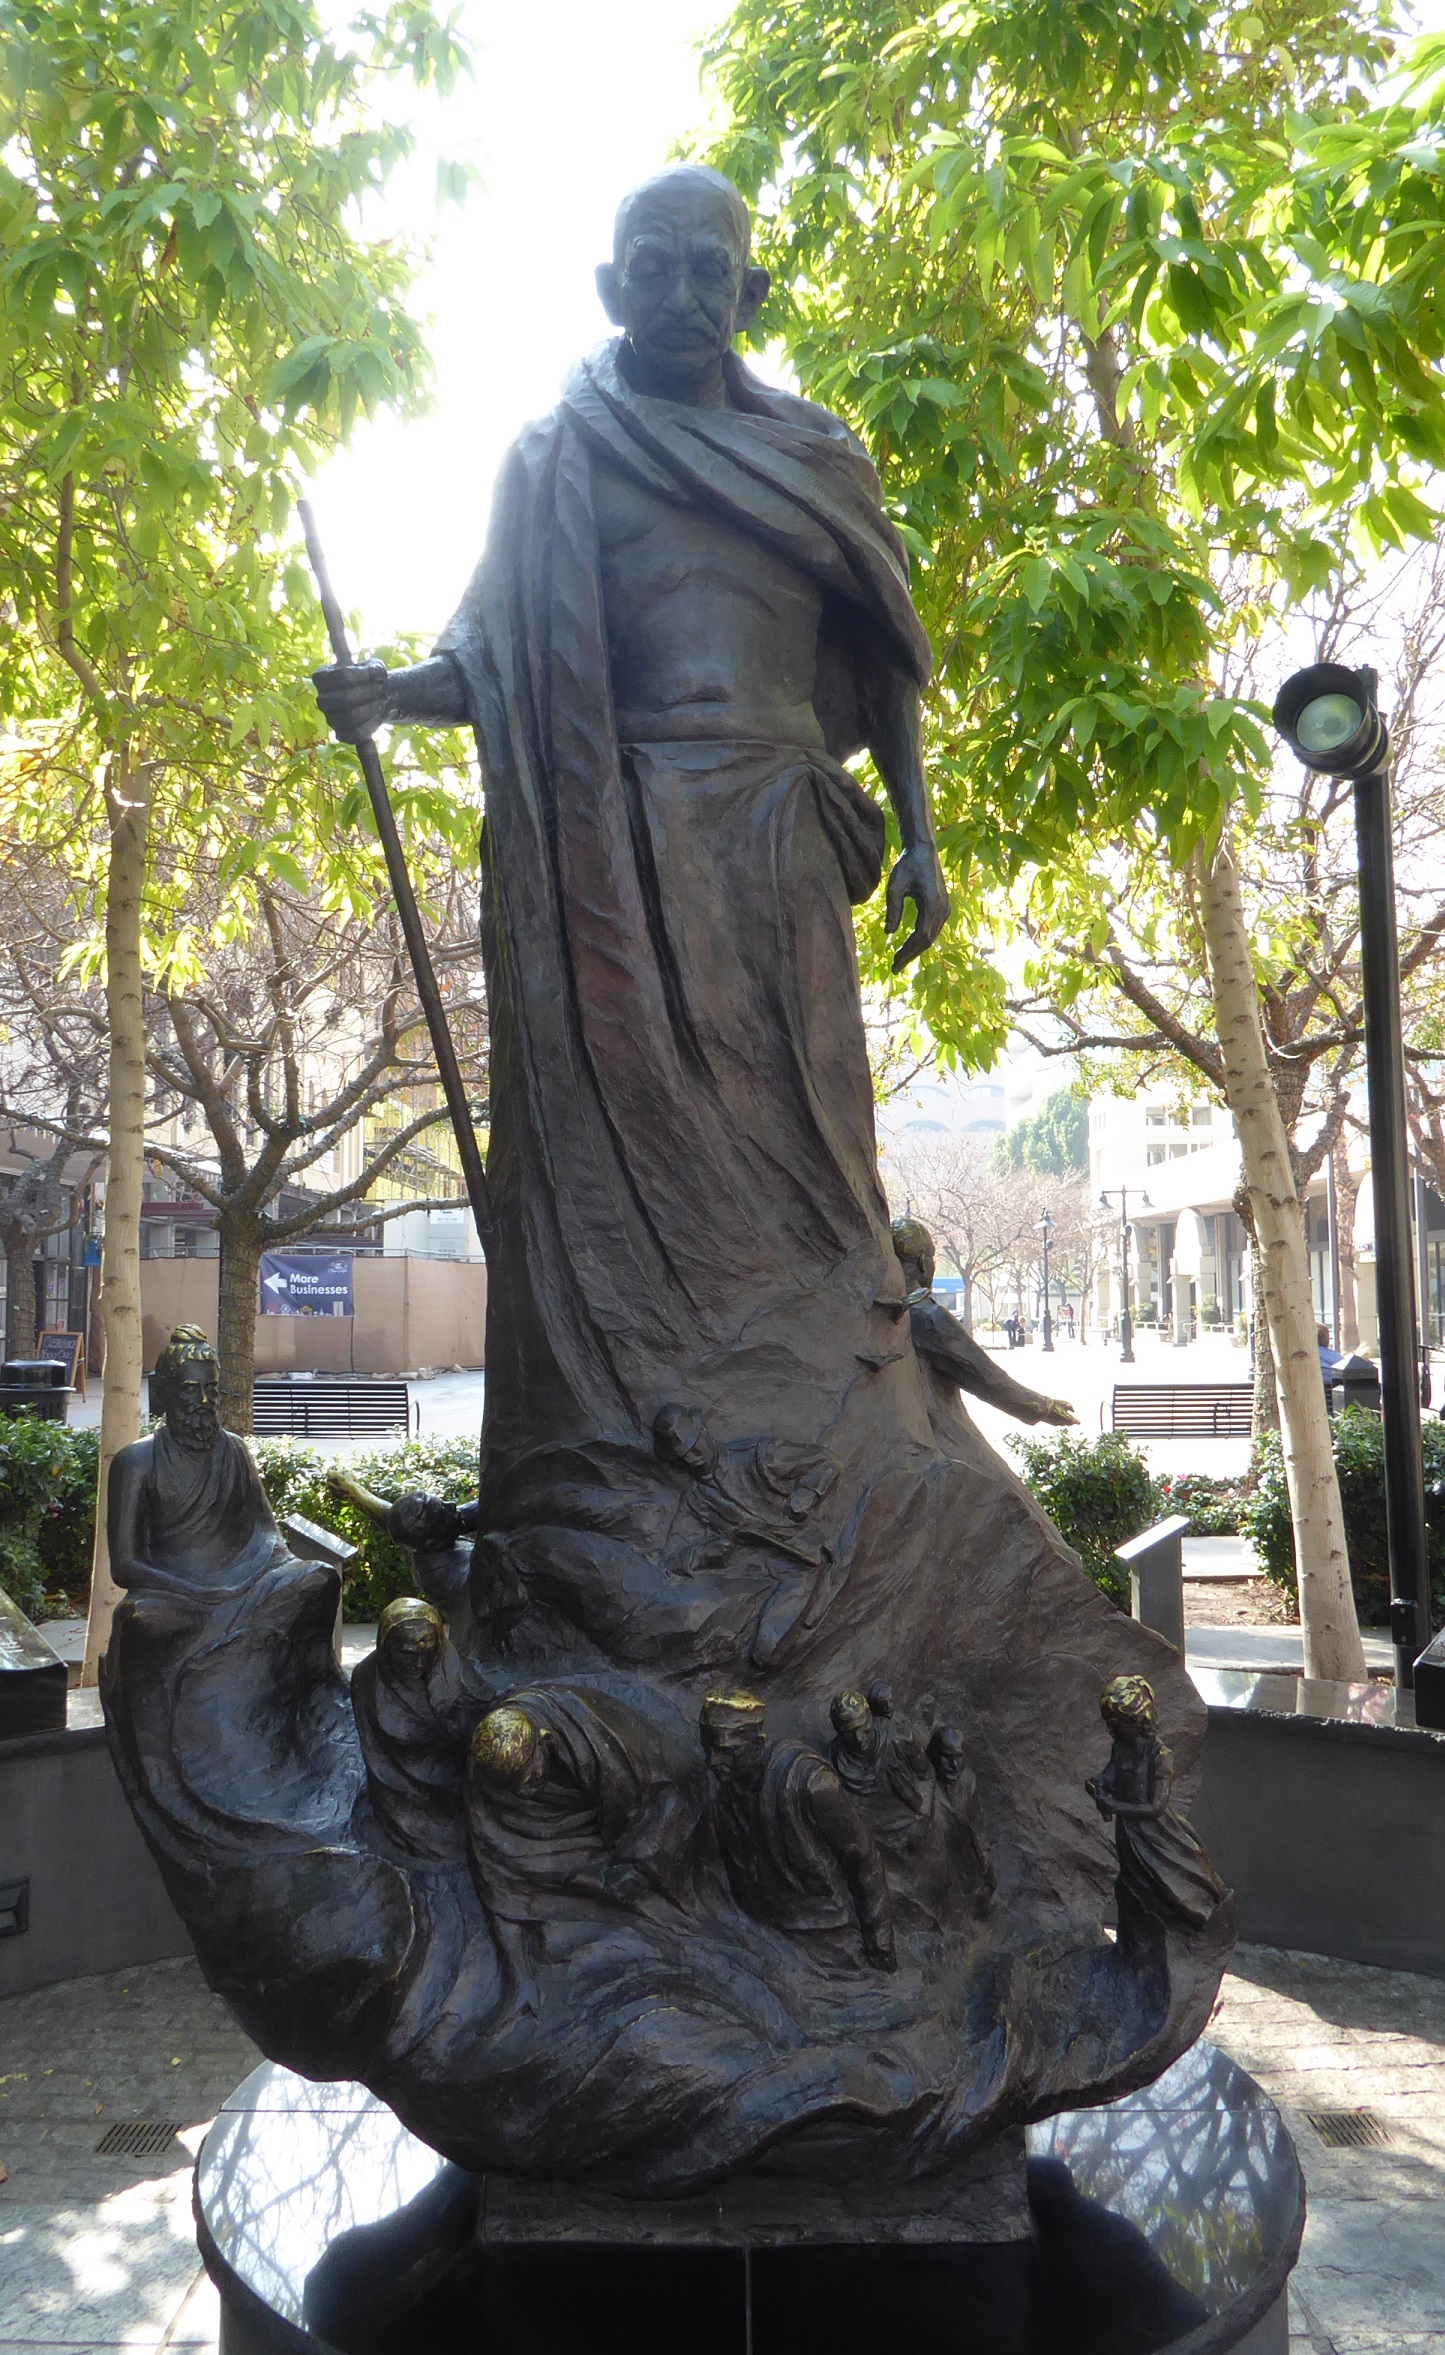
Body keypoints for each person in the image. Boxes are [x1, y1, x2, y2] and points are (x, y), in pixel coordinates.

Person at [699, 1688, 896, 1972]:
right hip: (762, 1932)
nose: (712, 1762)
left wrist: (880, 1943)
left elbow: (863, 1859)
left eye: (726, 1752)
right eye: (708, 1750)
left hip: (824, 1932)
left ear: (757, 1743)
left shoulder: (811, 1783)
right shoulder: (723, 1789)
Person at [108, 1326, 302, 1598]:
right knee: (140, 1615)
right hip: (174, 1593)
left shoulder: (234, 1449)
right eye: (190, 1389)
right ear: (164, 1392)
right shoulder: (136, 1461)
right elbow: (125, 1565)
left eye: (211, 1389)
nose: (203, 1400)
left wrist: (281, 1570)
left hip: (241, 1579)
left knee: (319, 1577)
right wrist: (196, 1592)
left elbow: (266, 1531)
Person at [892, 1218, 1076, 1429]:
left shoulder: (882, 1312)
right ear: (923, 1262)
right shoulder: (928, 1317)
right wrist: (1046, 1407)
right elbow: (987, 1378)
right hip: (935, 1431)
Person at [350, 1598, 491, 1862]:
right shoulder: (366, 1679)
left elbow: (480, 1725)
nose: (417, 1663)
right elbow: (375, 1755)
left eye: (427, 1651)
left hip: (459, 1777)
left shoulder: (454, 1670)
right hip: (401, 1788)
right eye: (406, 1652)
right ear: (386, 1645)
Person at [1086, 1676, 1227, 1931]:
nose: (1111, 1730)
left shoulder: (1160, 1756)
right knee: (1133, 1885)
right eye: (1109, 1724)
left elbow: (1155, 1807)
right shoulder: (1120, 1748)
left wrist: (1114, 1807)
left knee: (1164, 1881)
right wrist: (1100, 1784)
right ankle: (1138, 1939)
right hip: (1129, 1834)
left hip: (1157, 1835)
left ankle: (1187, 1925)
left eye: (1116, 1724)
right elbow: (1111, 1774)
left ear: (1138, 1720)